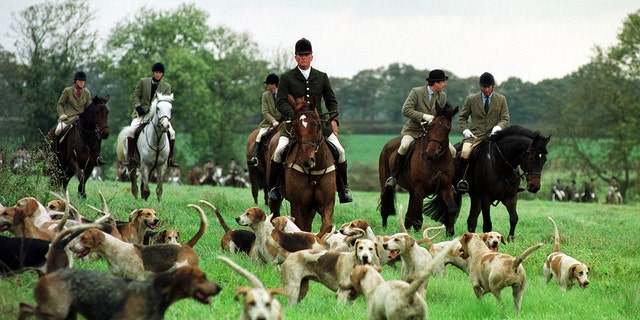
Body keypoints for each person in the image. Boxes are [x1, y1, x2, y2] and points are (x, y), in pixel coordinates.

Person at [268, 38, 353, 204]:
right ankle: (274, 189)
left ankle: (343, 189)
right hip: (293, 125)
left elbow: (331, 101)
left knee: (340, 152)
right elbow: (281, 102)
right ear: (296, 57)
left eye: (306, 55)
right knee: (279, 151)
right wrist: (295, 115)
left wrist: (334, 120)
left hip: (319, 126)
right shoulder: (287, 77)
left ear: (311, 57)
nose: (303, 58)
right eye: (300, 55)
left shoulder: (321, 77)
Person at [384, 69, 454, 189]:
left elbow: (441, 114)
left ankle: (450, 182)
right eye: (443, 82)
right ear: (435, 83)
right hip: (413, 131)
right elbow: (405, 110)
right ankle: (394, 176)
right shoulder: (416, 92)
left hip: (432, 134)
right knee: (404, 146)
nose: (445, 84)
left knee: (452, 151)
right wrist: (423, 116)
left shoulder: (442, 96)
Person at [456, 72, 510, 192]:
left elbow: (505, 118)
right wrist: (465, 130)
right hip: (475, 136)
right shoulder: (471, 99)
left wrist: (499, 127)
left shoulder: (501, 99)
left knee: (511, 152)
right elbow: (462, 117)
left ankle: (512, 182)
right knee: (464, 152)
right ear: (480, 86)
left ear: (493, 86)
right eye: (483, 87)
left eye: (488, 87)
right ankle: (463, 180)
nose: (486, 89)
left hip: (494, 136)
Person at [123, 62, 178, 168]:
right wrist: (138, 106)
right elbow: (136, 95)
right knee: (131, 131)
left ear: (162, 74)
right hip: (142, 115)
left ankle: (170, 158)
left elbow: (166, 103)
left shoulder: (166, 87)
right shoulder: (143, 82)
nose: (158, 74)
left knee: (172, 132)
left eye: (160, 73)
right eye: (156, 72)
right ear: (153, 72)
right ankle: (130, 157)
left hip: (159, 117)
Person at [53, 71, 105, 165]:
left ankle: (97, 156)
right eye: (80, 80)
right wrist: (62, 114)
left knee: (96, 134)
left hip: (81, 119)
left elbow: (89, 108)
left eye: (83, 81)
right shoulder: (67, 91)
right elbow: (60, 104)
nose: (82, 82)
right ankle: (54, 153)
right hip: (68, 118)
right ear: (75, 81)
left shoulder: (87, 93)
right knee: (58, 130)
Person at [248, 73, 283, 167]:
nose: (266, 86)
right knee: (259, 136)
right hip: (268, 123)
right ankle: (255, 157)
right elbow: (265, 112)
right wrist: (273, 121)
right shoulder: (265, 95)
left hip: (283, 121)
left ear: (273, 85)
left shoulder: (284, 94)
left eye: (268, 84)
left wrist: (281, 120)